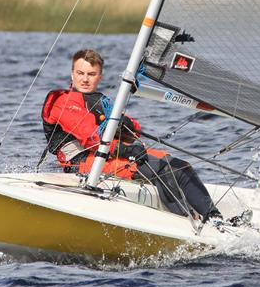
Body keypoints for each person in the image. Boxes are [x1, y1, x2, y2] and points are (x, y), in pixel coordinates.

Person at [42, 48, 220, 221]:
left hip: (108, 156)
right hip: (83, 163)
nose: (85, 79)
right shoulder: (64, 102)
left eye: (91, 74)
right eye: (80, 73)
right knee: (164, 170)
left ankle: (214, 217)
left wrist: (125, 124)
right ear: (72, 74)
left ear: (100, 77)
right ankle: (186, 221)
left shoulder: (100, 101)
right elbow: (91, 138)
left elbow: (134, 127)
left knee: (180, 166)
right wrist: (125, 150)